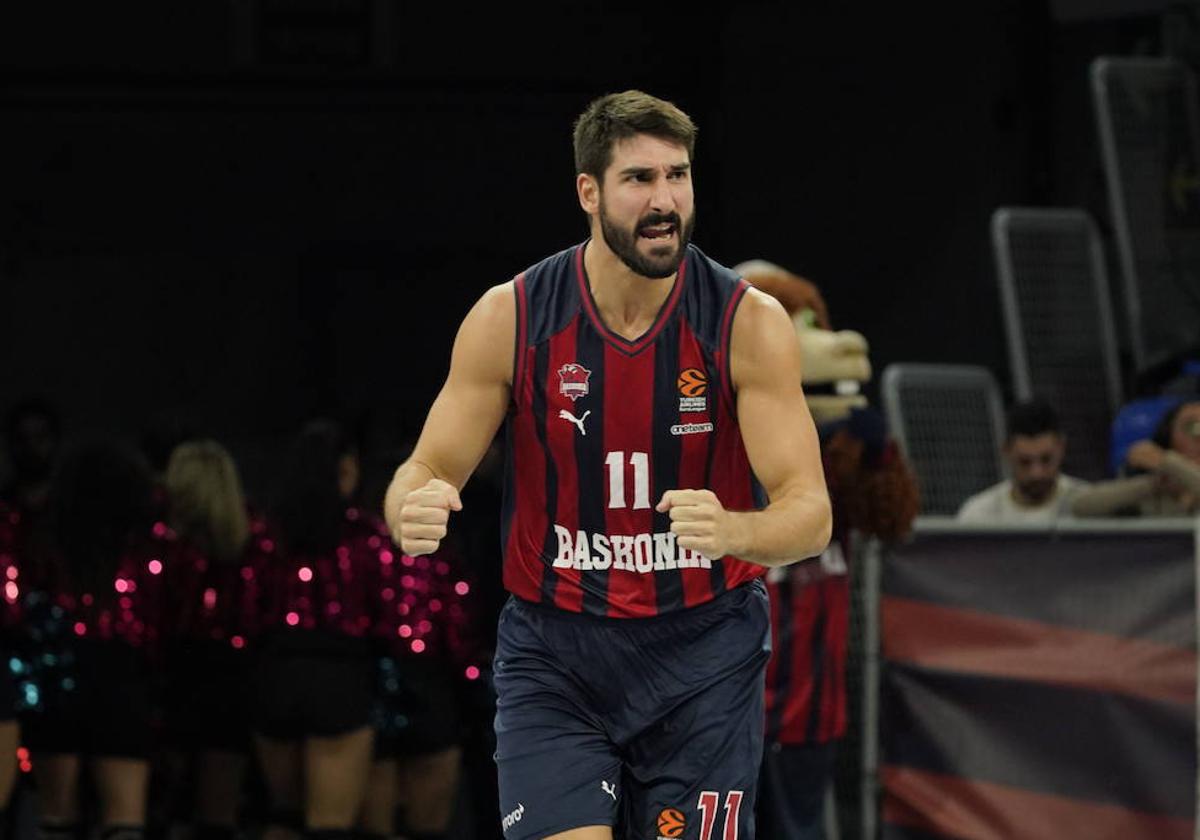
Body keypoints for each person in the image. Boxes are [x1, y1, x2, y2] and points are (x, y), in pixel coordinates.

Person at [383, 90, 831, 840]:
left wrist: (735, 531)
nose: (665, 201)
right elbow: (425, 466)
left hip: (704, 653)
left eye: (677, 176)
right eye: (639, 179)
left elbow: (810, 514)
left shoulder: (746, 322)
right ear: (588, 191)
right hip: (558, 655)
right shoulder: (512, 316)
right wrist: (411, 504)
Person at [957, 398, 1086, 523]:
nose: (1037, 473)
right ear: (1006, 452)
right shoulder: (977, 516)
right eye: (1024, 462)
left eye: (1046, 459)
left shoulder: (1089, 506)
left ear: (1061, 447)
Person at [1071, 399, 1200, 516]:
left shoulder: (1169, 462)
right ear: (1167, 437)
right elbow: (1081, 506)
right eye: (1193, 427)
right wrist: (1151, 485)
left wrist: (1169, 462)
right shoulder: (1157, 489)